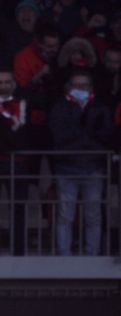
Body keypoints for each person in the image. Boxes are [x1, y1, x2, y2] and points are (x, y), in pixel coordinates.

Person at [49, 70, 113, 256]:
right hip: (66, 168)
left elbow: (106, 135)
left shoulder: (100, 107)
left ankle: (92, 255)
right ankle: (64, 257)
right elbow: (58, 136)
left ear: (91, 88)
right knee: (65, 216)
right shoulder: (59, 107)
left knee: (93, 215)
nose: (81, 89)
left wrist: (81, 138)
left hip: (93, 168)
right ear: (69, 87)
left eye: (84, 86)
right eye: (77, 85)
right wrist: (86, 137)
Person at [0, 70, 34, 255]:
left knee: (18, 208)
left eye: (7, 82)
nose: (3, 86)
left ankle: (19, 251)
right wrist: (7, 142)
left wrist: (4, 142)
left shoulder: (23, 104)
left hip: (18, 162)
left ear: (14, 84)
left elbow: (25, 135)